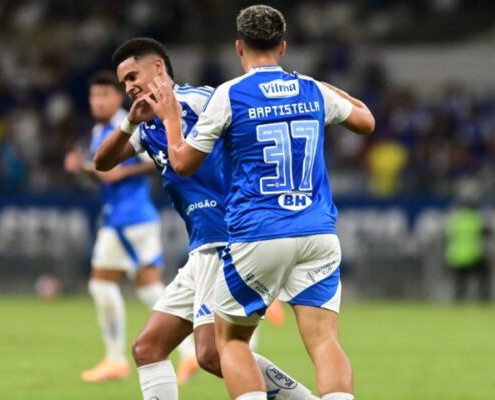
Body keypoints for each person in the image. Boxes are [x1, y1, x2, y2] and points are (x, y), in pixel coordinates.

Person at [152, 5, 374, 400]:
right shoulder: (312, 90)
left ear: (239, 47)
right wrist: (325, 87)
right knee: (324, 342)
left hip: (259, 232)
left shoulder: (230, 94)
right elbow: (366, 121)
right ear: (283, 46)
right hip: (317, 231)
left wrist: (171, 118)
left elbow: (182, 163)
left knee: (231, 342)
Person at [93, 37, 317, 400]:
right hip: (202, 249)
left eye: (132, 75)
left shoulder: (201, 101)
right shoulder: (147, 125)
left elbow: (252, 131)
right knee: (148, 348)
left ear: (159, 68)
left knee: (213, 353)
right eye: (123, 83)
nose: (129, 86)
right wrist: (128, 124)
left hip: (227, 239)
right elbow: (102, 163)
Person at [63, 71, 177, 383]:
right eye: (93, 96)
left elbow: (160, 158)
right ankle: (191, 352)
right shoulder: (102, 129)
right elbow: (104, 173)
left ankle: (116, 358)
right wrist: (84, 169)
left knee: (106, 284)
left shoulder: (123, 125)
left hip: (130, 219)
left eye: (104, 95)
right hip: (124, 218)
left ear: (117, 98)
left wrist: (121, 174)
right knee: (147, 288)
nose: (97, 101)